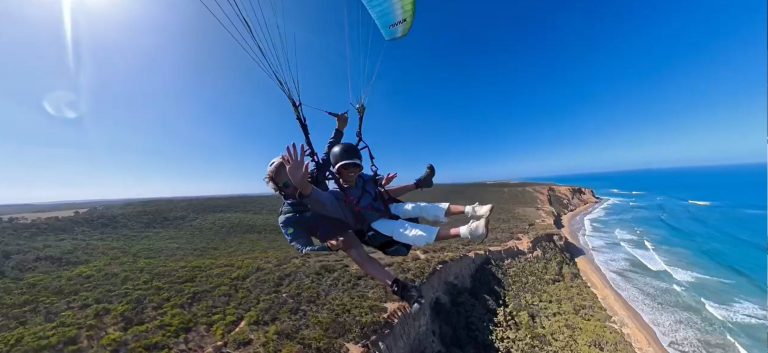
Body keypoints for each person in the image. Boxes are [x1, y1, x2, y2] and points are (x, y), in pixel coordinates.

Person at [264, 113, 433, 307]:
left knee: (376, 193)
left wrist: (340, 128)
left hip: (347, 208)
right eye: (287, 183)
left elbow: (328, 154)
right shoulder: (289, 217)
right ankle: (402, 289)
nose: (294, 185)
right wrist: (327, 247)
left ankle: (418, 184)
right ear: (279, 189)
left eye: (296, 176)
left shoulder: (315, 179)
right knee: (356, 252)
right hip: (336, 230)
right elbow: (302, 247)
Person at [281, 142, 495, 251]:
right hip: (372, 224)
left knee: (419, 207)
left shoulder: (366, 180)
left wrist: (382, 185)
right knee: (410, 231)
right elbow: (315, 197)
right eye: (348, 167)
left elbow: (382, 194)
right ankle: (468, 231)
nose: (353, 170)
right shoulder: (336, 196)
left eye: (356, 165)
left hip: (384, 208)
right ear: (338, 172)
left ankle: (472, 210)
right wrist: (301, 183)